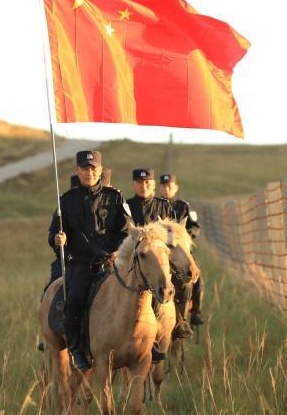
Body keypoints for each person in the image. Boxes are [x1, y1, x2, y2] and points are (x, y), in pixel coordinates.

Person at [48, 150, 128, 370]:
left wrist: (119, 251)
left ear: (100, 170)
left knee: (139, 291)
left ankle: (146, 342)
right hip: (82, 264)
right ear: (77, 171)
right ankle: (76, 349)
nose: (89, 172)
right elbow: (52, 233)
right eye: (84, 168)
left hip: (111, 263)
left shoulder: (115, 197)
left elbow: (125, 231)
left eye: (93, 168)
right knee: (74, 299)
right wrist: (57, 239)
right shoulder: (66, 200)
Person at [127, 168, 194, 343]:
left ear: (153, 184)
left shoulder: (164, 205)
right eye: (140, 182)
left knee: (182, 284)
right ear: (134, 184)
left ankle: (180, 320)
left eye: (147, 182)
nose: (144, 186)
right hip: (137, 259)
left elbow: (173, 235)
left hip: (162, 258)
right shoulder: (126, 206)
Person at [159, 173, 205, 326]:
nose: (167, 189)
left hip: (183, 250)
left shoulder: (183, 206)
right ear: (160, 187)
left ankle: (195, 313)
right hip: (163, 250)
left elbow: (195, 227)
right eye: (164, 186)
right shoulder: (156, 205)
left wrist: (185, 236)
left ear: (175, 187)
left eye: (170, 186)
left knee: (198, 281)